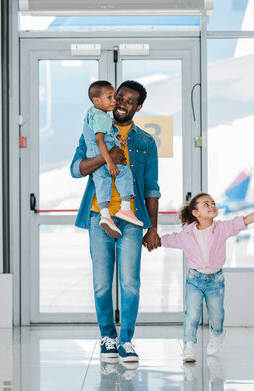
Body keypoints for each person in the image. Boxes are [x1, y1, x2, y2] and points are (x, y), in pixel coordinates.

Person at [70, 80, 161, 363]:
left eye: (130, 101)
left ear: (138, 107)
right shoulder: (95, 127)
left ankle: (126, 341)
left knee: (130, 283)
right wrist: (106, 157)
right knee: (102, 283)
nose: (122, 104)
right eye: (119, 97)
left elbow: (151, 187)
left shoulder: (146, 142)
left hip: (131, 220)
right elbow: (76, 169)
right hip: (100, 216)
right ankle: (107, 337)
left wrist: (153, 228)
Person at [159, 193, 254, 362]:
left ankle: (217, 334)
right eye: (206, 204)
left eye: (213, 203)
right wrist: (147, 238)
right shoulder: (186, 234)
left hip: (215, 281)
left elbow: (245, 220)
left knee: (217, 314)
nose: (212, 206)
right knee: (192, 313)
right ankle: (189, 346)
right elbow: (165, 240)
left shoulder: (222, 228)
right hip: (194, 280)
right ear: (196, 213)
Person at [83, 80, 143, 238]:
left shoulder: (93, 113)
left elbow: (100, 134)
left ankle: (105, 215)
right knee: (124, 173)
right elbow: (100, 140)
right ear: (97, 101)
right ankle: (125, 208)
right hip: (105, 156)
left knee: (102, 184)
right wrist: (110, 161)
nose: (115, 102)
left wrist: (116, 138)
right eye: (110, 97)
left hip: (94, 157)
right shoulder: (103, 117)